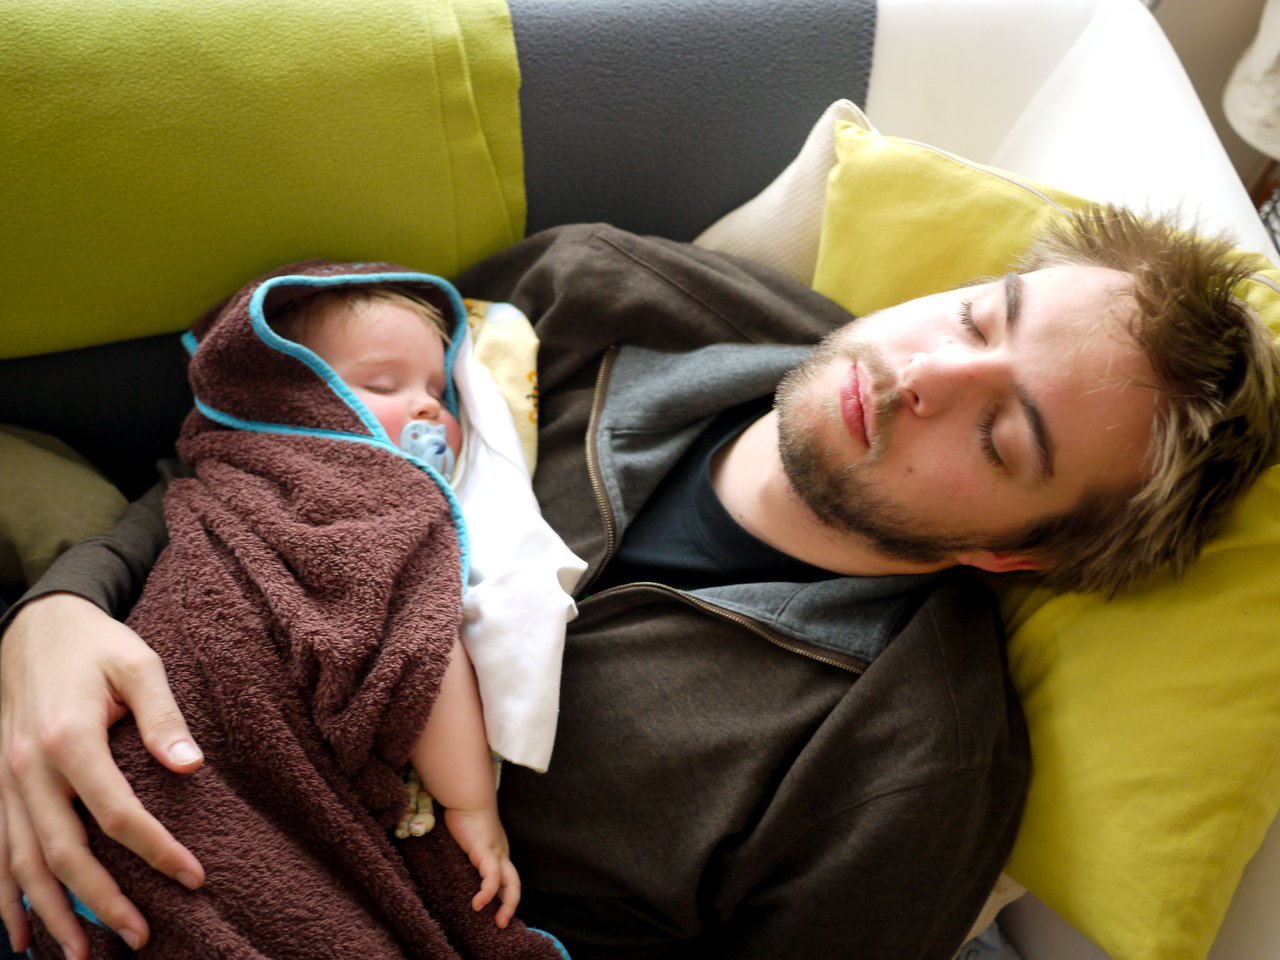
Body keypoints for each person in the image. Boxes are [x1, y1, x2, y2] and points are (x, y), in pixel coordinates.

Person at [2, 207, 1277, 960]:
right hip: (102, 713)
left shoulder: (902, 770)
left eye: (999, 438)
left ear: (1013, 554)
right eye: (975, 317)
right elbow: (305, 460)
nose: (920, 376)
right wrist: (62, 609)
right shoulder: (610, 295)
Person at [0, 261, 583, 958]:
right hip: (172, 734)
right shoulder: (373, 501)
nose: (430, 408)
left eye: (438, 389)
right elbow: (420, 653)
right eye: (380, 384)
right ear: (291, 400)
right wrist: (470, 804)